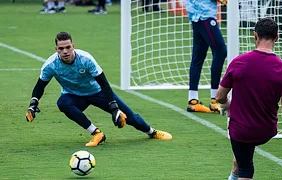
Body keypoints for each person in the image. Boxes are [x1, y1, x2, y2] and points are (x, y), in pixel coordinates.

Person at [25, 31, 172, 147]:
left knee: (130, 118)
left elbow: (104, 83)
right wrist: (33, 105)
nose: (65, 51)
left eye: (68, 47)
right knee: (62, 103)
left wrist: (114, 107)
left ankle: (152, 132)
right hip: (73, 96)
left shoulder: (86, 59)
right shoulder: (50, 65)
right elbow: (40, 86)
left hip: (97, 92)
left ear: (73, 46)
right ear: (56, 49)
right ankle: (96, 133)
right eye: (61, 48)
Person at [215, 18, 282, 180]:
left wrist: (227, 106)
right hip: (266, 131)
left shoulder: (239, 62)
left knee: (246, 169)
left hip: (240, 131)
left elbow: (219, 96)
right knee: (241, 158)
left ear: (255, 35)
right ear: (277, 38)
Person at [185, 0, 228, 113]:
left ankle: (193, 100)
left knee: (198, 56)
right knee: (220, 51)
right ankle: (215, 100)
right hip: (204, 14)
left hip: (197, 14)